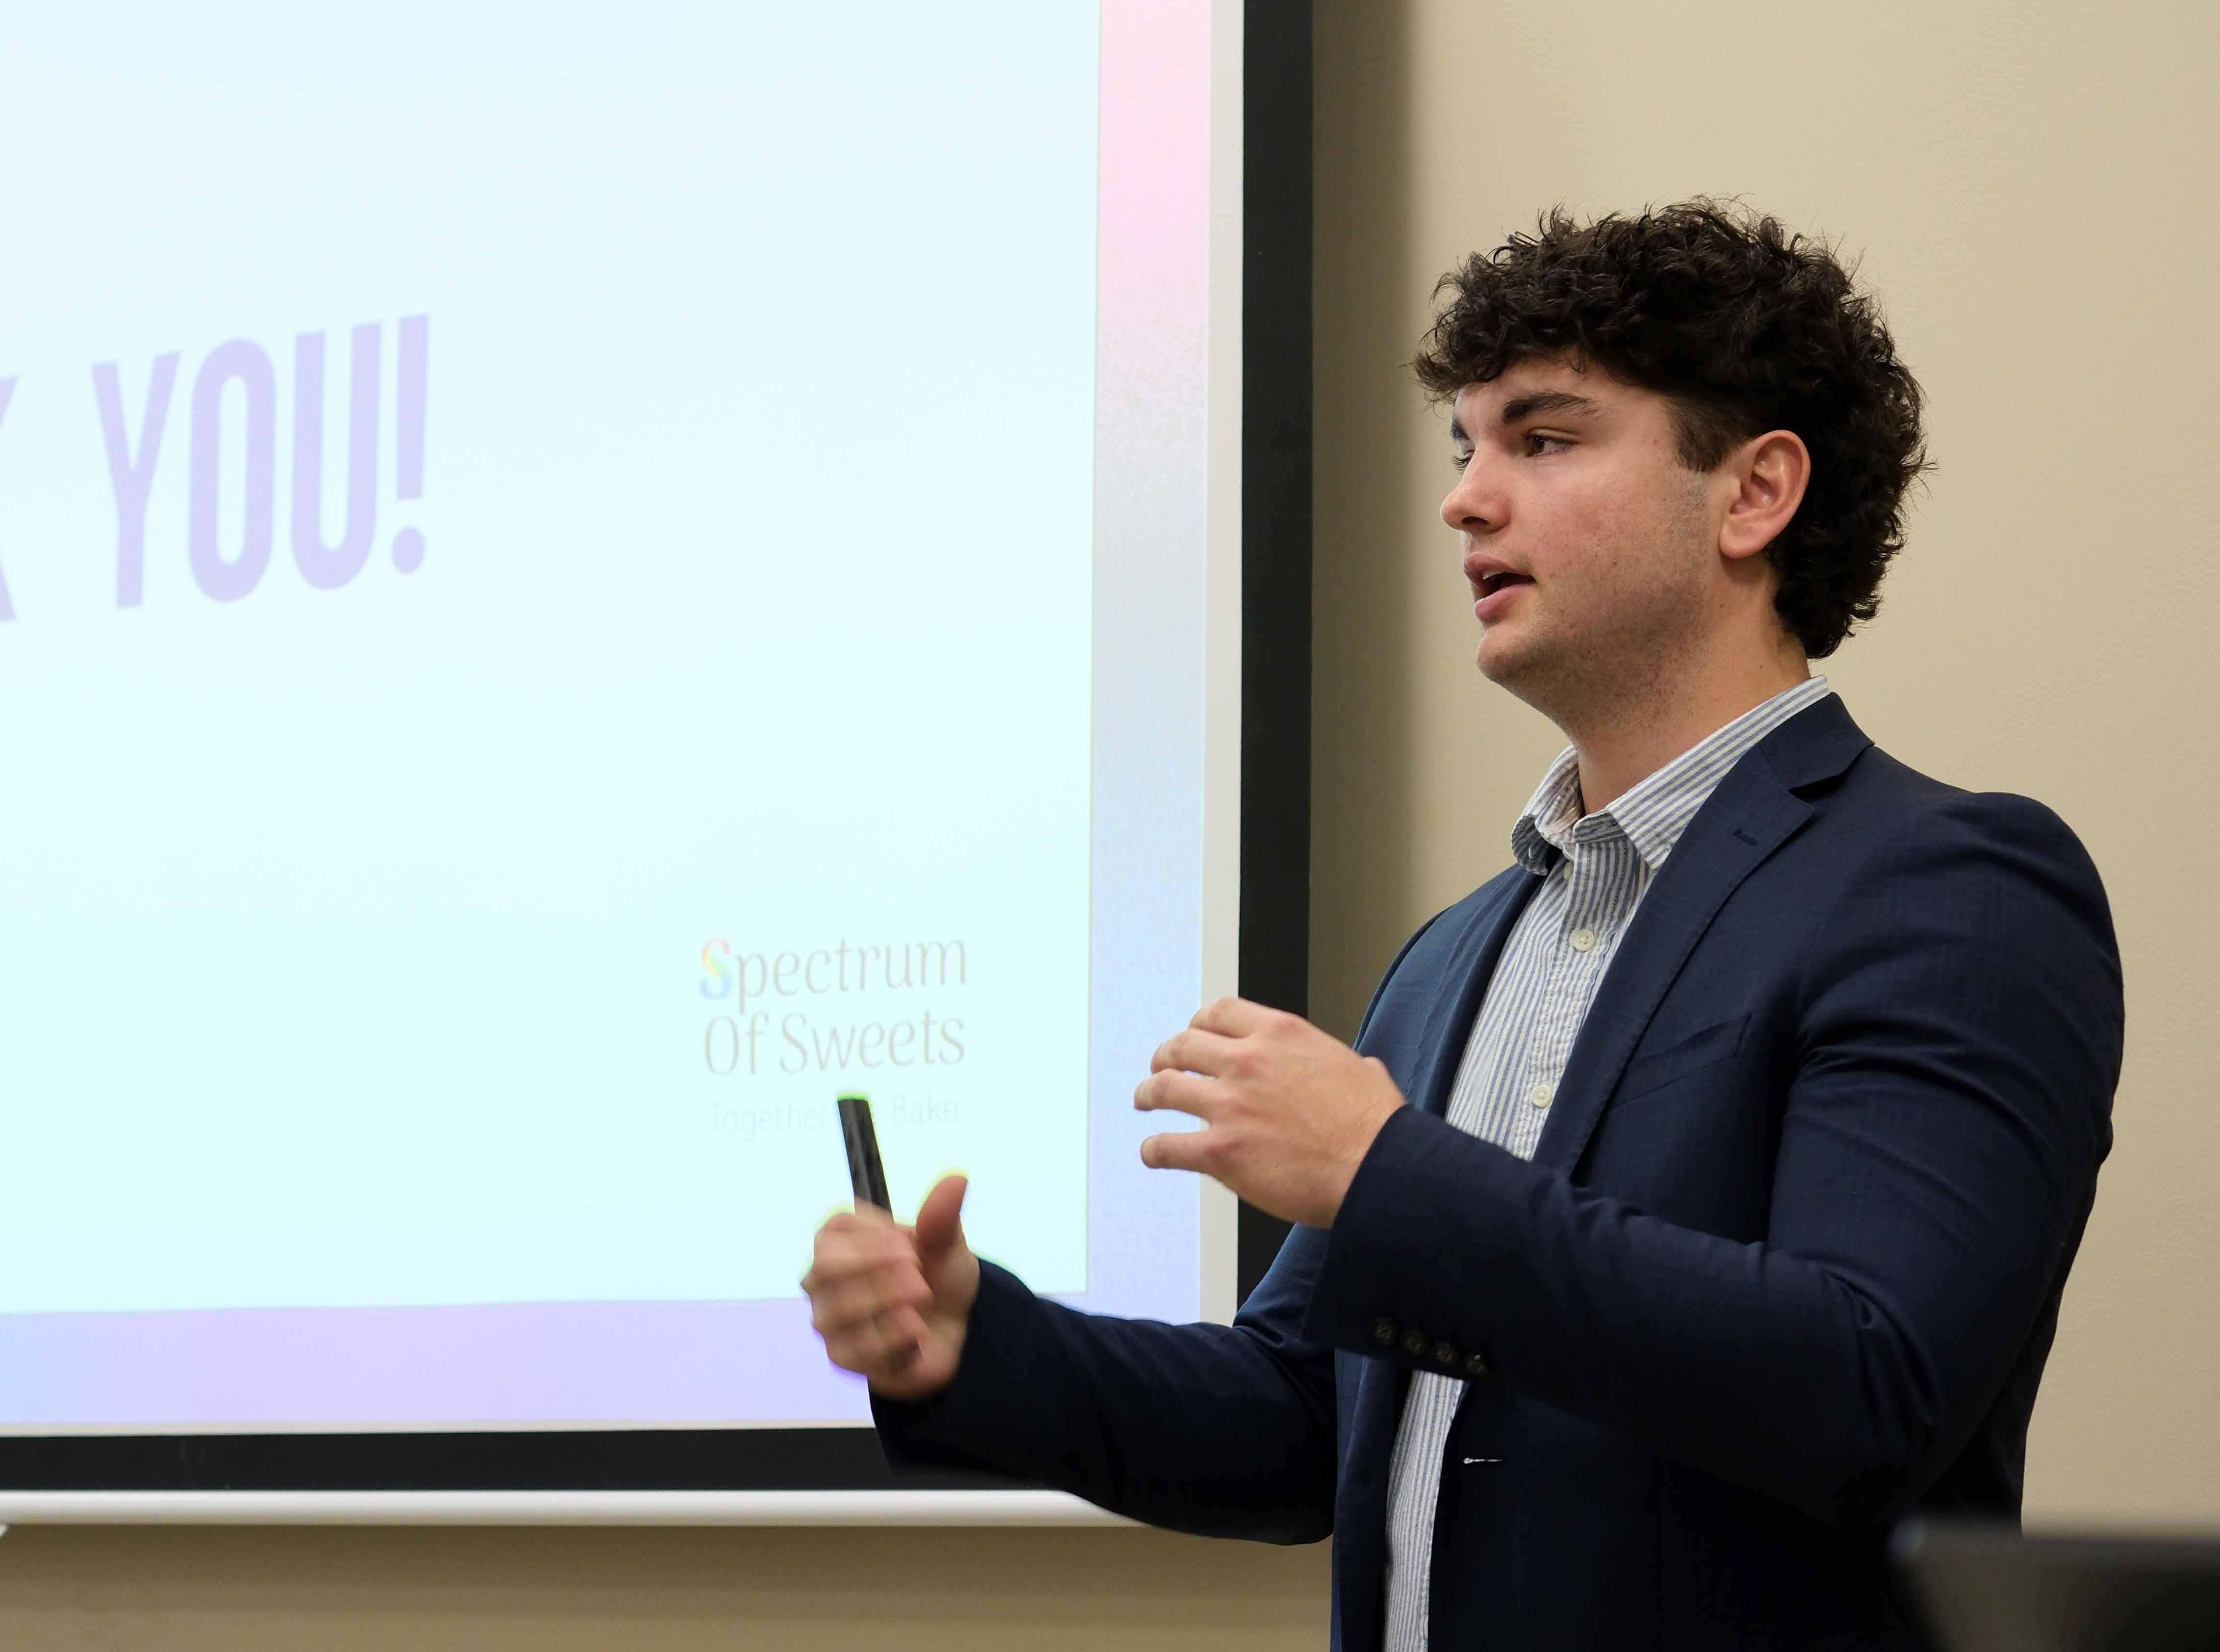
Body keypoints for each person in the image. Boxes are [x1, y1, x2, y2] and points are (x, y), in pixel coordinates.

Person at [800, 202, 2122, 1651]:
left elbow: (1869, 1385)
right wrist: (977, 1344)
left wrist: (1382, 1171)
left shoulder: (1947, 885)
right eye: (1464, 447)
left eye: (1542, 440)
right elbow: (1305, 1420)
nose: (1464, 501)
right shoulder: (1452, 958)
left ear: (1753, 495)